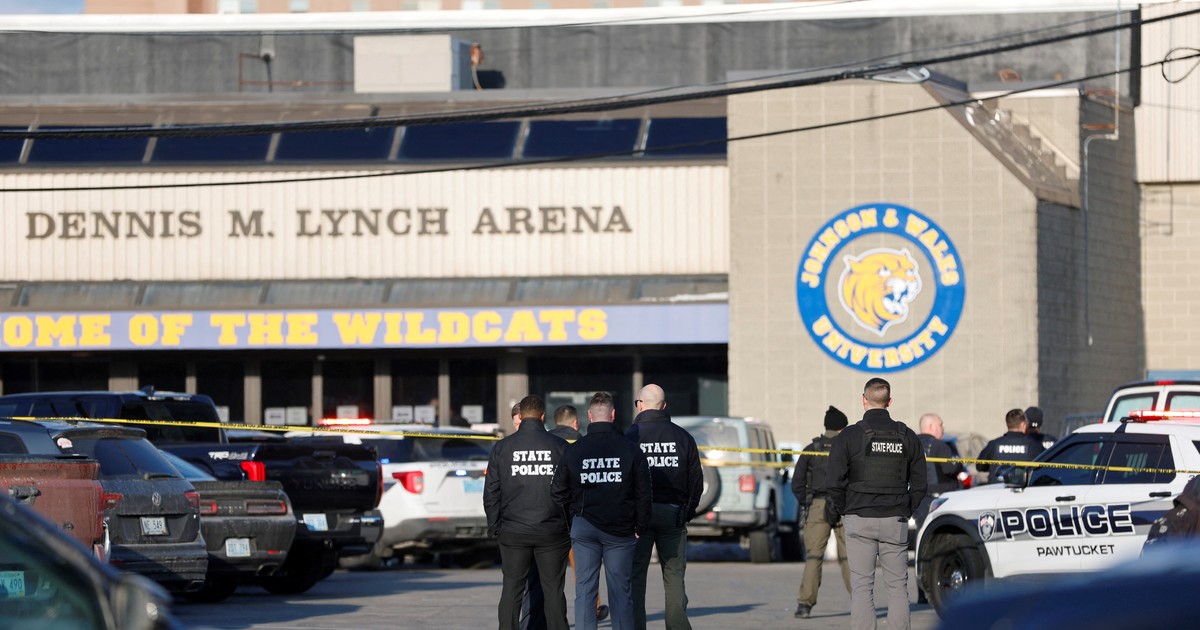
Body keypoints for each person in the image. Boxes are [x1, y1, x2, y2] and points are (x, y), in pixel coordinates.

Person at [826, 378, 926, 630]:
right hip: (895, 519)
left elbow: (834, 482)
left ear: (864, 400)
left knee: (861, 587)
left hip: (859, 518)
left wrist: (846, 509)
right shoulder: (907, 435)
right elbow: (920, 484)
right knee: (897, 587)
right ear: (889, 401)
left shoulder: (849, 436)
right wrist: (905, 509)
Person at [552, 392, 652, 630]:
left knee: (585, 590)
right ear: (613, 414)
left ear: (589, 416)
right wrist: (640, 525)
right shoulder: (630, 449)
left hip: (584, 526)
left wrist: (571, 521)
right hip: (620, 529)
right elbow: (644, 493)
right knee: (620, 592)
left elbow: (558, 491)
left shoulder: (574, 450)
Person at [484, 395, 570, 630]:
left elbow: (491, 491)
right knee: (553, 590)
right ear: (543, 416)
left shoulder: (503, 447)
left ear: (520, 416)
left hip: (513, 530)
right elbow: (570, 490)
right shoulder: (559, 446)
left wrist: (495, 526)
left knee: (512, 589)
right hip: (552, 530)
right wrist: (567, 524)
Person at [625, 384, 702, 630]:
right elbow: (696, 482)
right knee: (674, 576)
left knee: (636, 575)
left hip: (639, 518)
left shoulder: (629, 437)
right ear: (664, 406)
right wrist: (686, 512)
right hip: (673, 514)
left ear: (639, 405)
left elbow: (622, 481)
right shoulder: (683, 437)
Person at [546, 404, 612, 624]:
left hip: (550, 517)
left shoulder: (547, 443)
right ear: (576, 423)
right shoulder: (584, 443)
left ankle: (551, 617)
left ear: (555, 422)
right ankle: (593, 609)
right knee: (584, 573)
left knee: (550, 575)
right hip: (577, 517)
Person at [791, 405, 852, 619]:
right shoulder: (848, 448)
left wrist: (808, 502)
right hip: (845, 506)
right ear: (841, 428)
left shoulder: (811, 449)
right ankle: (861, 601)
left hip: (818, 505)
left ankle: (804, 605)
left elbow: (797, 483)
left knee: (814, 556)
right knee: (850, 557)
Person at [914, 413, 963, 527]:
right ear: (931, 427)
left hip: (915, 499)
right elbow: (950, 469)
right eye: (940, 425)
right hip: (938, 499)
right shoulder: (939, 445)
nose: (943, 428)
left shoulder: (910, 444)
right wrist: (958, 463)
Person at [976, 409, 1045, 484]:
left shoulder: (994, 444)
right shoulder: (1034, 445)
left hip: (996, 489)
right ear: (1023, 424)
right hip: (1022, 489)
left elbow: (979, 466)